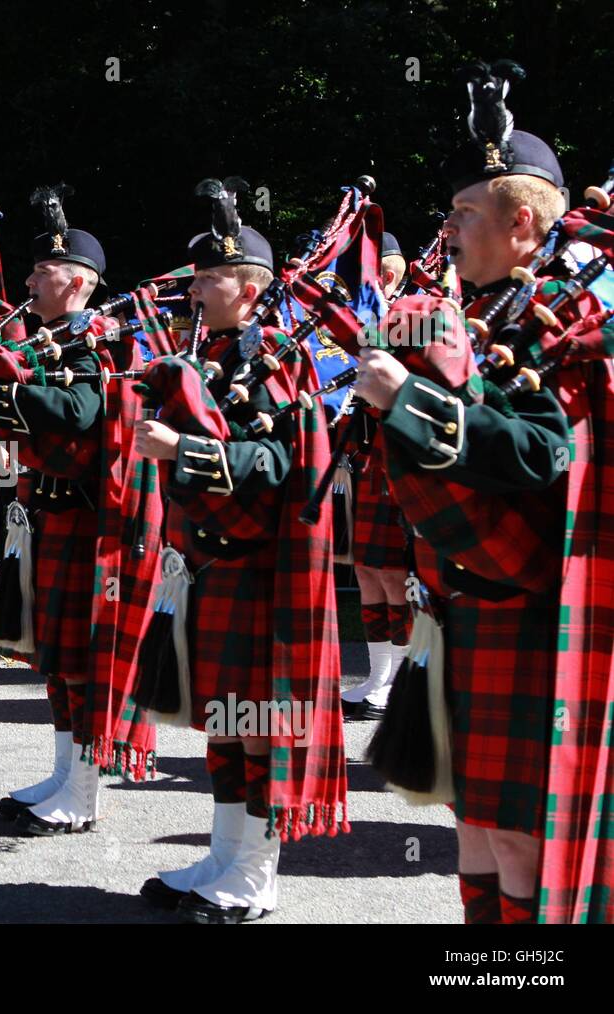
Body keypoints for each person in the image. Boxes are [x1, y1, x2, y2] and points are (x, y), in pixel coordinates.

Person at [354, 60, 613, 923]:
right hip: (458, 601)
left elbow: (542, 455)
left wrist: (412, 399)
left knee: (519, 840)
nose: (450, 227)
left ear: (525, 223)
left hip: (527, 604)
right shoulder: (479, 315)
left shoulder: (568, 326)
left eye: (467, 212)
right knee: (471, 827)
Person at [133, 183, 346, 922]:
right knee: (225, 724)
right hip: (206, 565)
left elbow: (282, 463)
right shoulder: (205, 349)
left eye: (210, 277)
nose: (194, 287)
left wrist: (184, 450)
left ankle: (255, 878)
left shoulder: (279, 360)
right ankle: (224, 856)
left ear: (250, 290)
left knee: (256, 726)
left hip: (256, 570)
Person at [0, 188, 162, 832]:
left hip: (87, 523)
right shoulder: (47, 343)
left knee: (81, 660)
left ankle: (85, 792)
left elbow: (80, 414)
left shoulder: (99, 343)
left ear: (77, 283)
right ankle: (62, 773)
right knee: (53, 658)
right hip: (45, 518)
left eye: (42, 271)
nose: (27, 279)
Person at [339, 232, 414, 719]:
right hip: (366, 458)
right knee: (366, 571)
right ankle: (375, 675)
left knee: (393, 575)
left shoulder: (413, 320)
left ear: (383, 277)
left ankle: (400, 684)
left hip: (397, 462)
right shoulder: (362, 323)